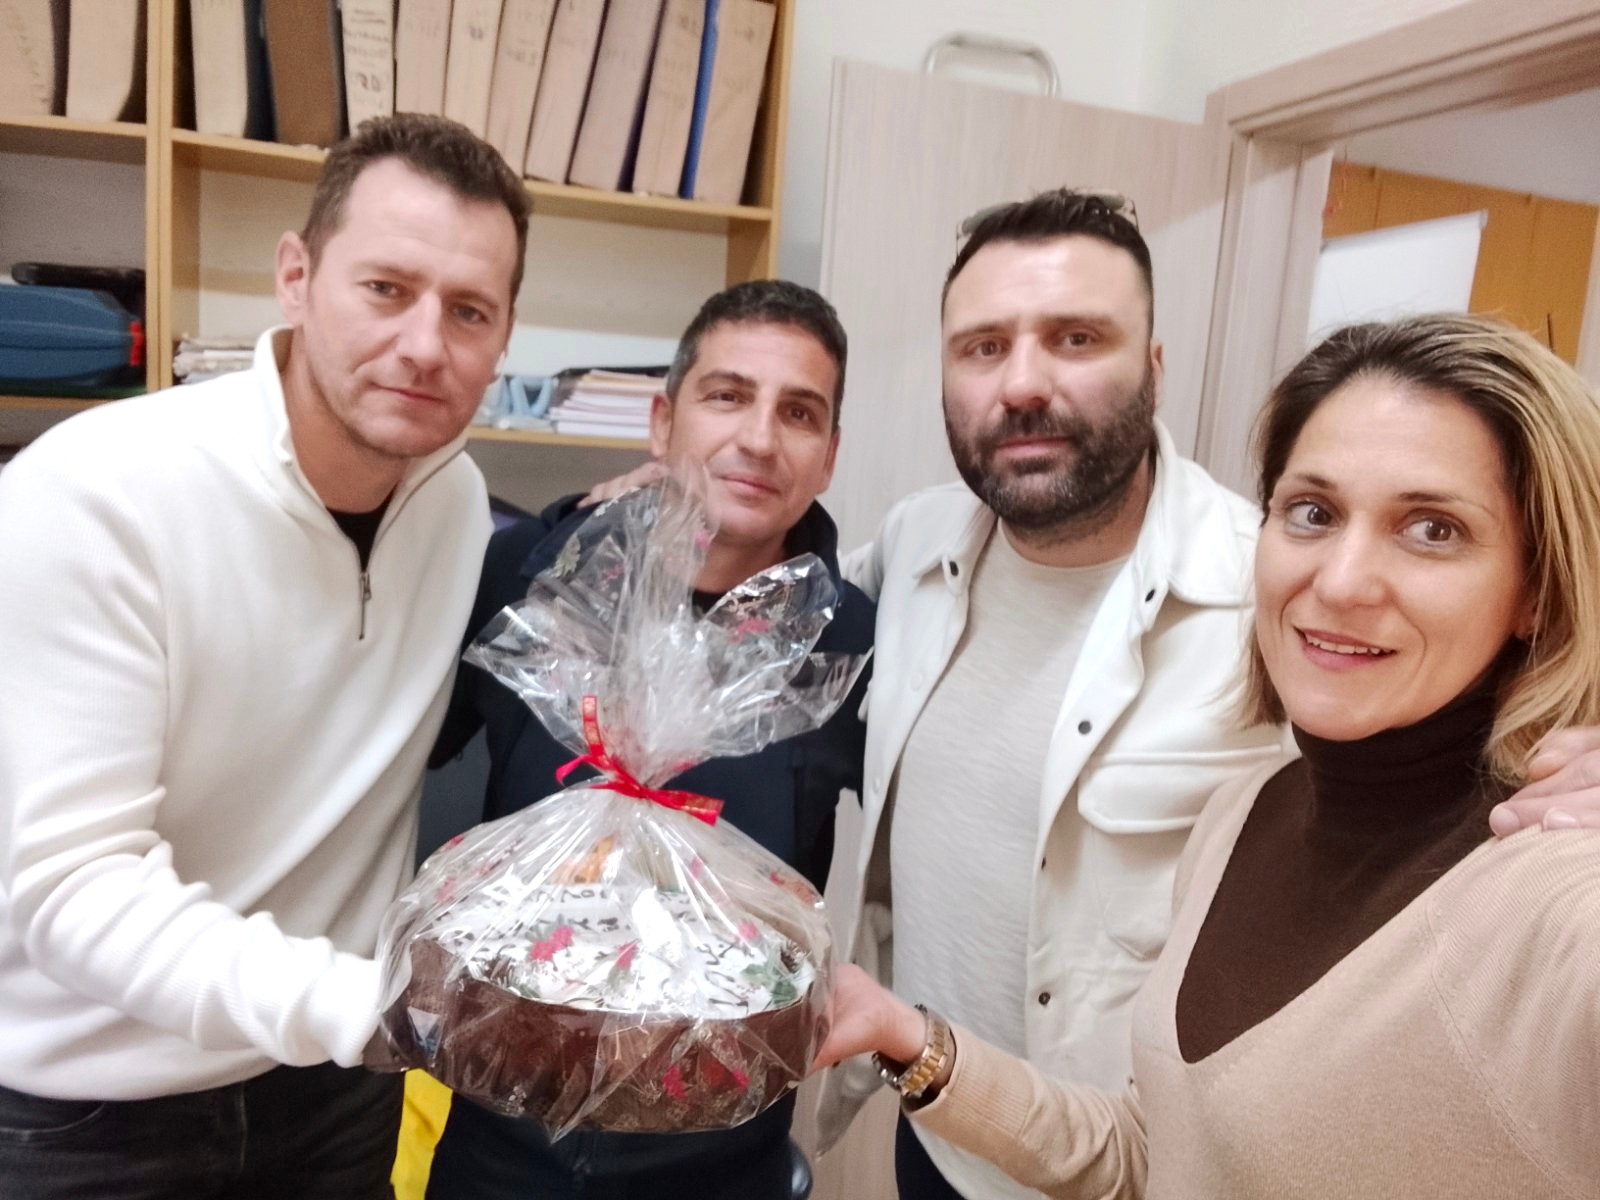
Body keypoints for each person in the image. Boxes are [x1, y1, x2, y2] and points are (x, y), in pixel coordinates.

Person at [808, 189, 1600, 1200]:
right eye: (982, 346)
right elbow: (1162, 1141)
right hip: (953, 1132)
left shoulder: (1548, 896)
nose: (1023, 383)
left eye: (1076, 337)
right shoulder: (915, 547)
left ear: (1153, 367)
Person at [0, 113, 528, 1199]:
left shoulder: (456, 500)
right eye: (385, 288)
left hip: (333, 1093)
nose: (425, 344)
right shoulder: (95, 494)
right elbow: (72, 886)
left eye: (468, 310)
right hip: (96, 1111)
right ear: (296, 277)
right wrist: (379, 1009)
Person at [405, 280, 875, 1200]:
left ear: (828, 457)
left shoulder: (849, 644)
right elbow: (395, 757)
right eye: (727, 395)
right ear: (663, 423)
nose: (759, 438)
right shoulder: (532, 580)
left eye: (799, 412)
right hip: (498, 1146)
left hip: (720, 1155)